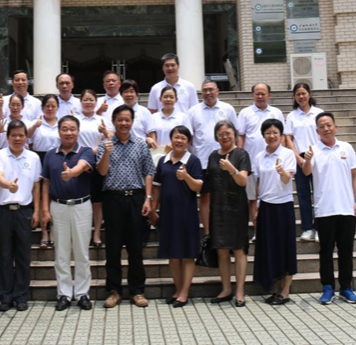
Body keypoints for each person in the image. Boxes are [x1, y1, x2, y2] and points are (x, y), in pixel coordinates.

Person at [96, 105, 156, 308]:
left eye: (127, 119)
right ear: (113, 122)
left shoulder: (140, 144)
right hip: (113, 199)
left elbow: (148, 172)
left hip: (136, 199)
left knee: (135, 247)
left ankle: (137, 291)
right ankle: (114, 291)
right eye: (120, 119)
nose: (123, 123)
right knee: (113, 248)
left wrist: (148, 198)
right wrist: (106, 153)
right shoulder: (105, 145)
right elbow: (102, 172)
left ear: (132, 122)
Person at [302, 111, 356, 306]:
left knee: (346, 250)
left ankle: (346, 287)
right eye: (322, 126)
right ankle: (327, 287)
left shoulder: (346, 148)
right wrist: (307, 159)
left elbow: (355, 175)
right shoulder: (313, 150)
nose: (326, 129)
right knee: (326, 251)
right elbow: (306, 172)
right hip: (324, 209)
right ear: (317, 131)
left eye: (329, 125)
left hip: (346, 208)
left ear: (335, 127)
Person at [41, 115, 96, 311]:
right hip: (58, 207)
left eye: (72, 129)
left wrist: (71, 172)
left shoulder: (86, 151)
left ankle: (82, 293)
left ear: (78, 131)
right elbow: (45, 183)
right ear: (59, 132)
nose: (69, 132)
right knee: (61, 254)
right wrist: (45, 210)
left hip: (82, 206)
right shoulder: (50, 155)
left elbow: (82, 167)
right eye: (64, 129)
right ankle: (64, 293)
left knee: (82, 252)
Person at [0, 120, 42, 312]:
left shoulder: (33, 157)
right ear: (7, 137)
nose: (17, 138)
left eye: (21, 135)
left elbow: (36, 185)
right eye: (14, 135)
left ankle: (21, 296)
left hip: (24, 211)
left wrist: (37, 210)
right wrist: (8, 185)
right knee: (3, 254)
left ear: (26, 137)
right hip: (2, 211)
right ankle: (5, 296)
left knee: (23, 255)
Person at [151, 126, 203, 308]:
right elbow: (157, 188)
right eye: (176, 137)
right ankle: (178, 290)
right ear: (171, 139)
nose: (179, 141)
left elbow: (198, 187)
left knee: (187, 255)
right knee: (173, 255)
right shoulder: (163, 161)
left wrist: (186, 176)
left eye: (183, 138)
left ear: (188, 142)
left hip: (187, 214)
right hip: (168, 214)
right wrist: (153, 209)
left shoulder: (193, 161)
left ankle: (184, 292)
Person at [205, 120, 251, 307]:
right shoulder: (212, 156)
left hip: (237, 207)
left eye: (228, 133)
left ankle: (240, 291)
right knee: (221, 249)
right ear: (216, 137)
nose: (224, 137)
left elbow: (242, 181)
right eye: (221, 134)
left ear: (234, 135)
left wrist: (231, 168)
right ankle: (226, 289)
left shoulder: (241, 154)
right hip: (217, 207)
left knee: (239, 249)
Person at [253, 118, 297, 306]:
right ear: (263, 136)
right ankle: (277, 289)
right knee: (270, 248)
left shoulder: (288, 154)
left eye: (275, 133)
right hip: (266, 206)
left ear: (281, 135)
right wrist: (256, 204)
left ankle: (285, 292)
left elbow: (287, 180)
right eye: (268, 133)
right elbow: (258, 183)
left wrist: (281, 172)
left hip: (283, 206)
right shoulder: (259, 157)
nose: (271, 136)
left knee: (285, 248)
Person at [188, 80, 237, 236]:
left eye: (211, 89)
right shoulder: (193, 111)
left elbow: (235, 134)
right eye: (205, 90)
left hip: (225, 161)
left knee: (226, 197)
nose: (208, 93)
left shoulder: (227, 109)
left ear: (218, 91)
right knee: (205, 197)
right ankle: (208, 233)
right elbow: (190, 137)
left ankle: (225, 231)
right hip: (202, 161)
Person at [236, 83, 284, 238]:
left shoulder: (276, 112)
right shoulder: (245, 113)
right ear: (252, 95)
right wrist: (240, 158)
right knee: (253, 198)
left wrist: (282, 157)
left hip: (273, 163)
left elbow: (282, 136)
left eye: (263, 93)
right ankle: (258, 230)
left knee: (273, 196)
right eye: (257, 93)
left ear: (269, 95)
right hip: (251, 163)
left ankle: (273, 230)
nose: (260, 96)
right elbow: (241, 136)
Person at [283, 83, 324, 242]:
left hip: (317, 157)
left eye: (303, 93)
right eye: (298, 94)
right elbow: (288, 139)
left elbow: (324, 135)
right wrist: (297, 157)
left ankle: (320, 227)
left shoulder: (319, 113)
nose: (301, 96)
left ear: (309, 94)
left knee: (319, 193)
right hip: (299, 158)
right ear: (294, 97)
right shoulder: (292, 116)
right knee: (303, 194)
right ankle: (307, 228)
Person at [28, 94, 60, 249]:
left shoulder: (62, 123)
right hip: (39, 158)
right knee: (41, 196)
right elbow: (27, 138)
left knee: (54, 196)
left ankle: (53, 231)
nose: (50, 108)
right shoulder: (37, 122)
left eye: (53, 106)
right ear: (42, 108)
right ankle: (44, 233)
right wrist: (35, 126)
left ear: (58, 108)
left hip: (57, 158)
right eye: (47, 106)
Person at [78, 88, 109, 248]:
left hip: (98, 161)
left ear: (96, 102)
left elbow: (109, 140)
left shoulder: (101, 120)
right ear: (80, 102)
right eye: (85, 99)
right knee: (81, 199)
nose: (88, 102)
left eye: (91, 99)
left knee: (97, 200)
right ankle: (83, 233)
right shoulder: (76, 119)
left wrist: (105, 133)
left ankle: (96, 233)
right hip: (79, 162)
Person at [149, 86, 192, 153]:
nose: (168, 99)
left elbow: (188, 137)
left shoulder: (183, 117)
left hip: (178, 154)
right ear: (160, 99)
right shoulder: (153, 117)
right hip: (158, 154)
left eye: (171, 97)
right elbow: (151, 137)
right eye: (165, 97)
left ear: (176, 99)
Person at [120, 80, 156, 148]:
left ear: (136, 94)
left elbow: (151, 134)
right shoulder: (118, 112)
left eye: (131, 91)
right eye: (126, 91)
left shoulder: (144, 112)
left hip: (141, 149)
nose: (129, 94)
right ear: (121, 94)